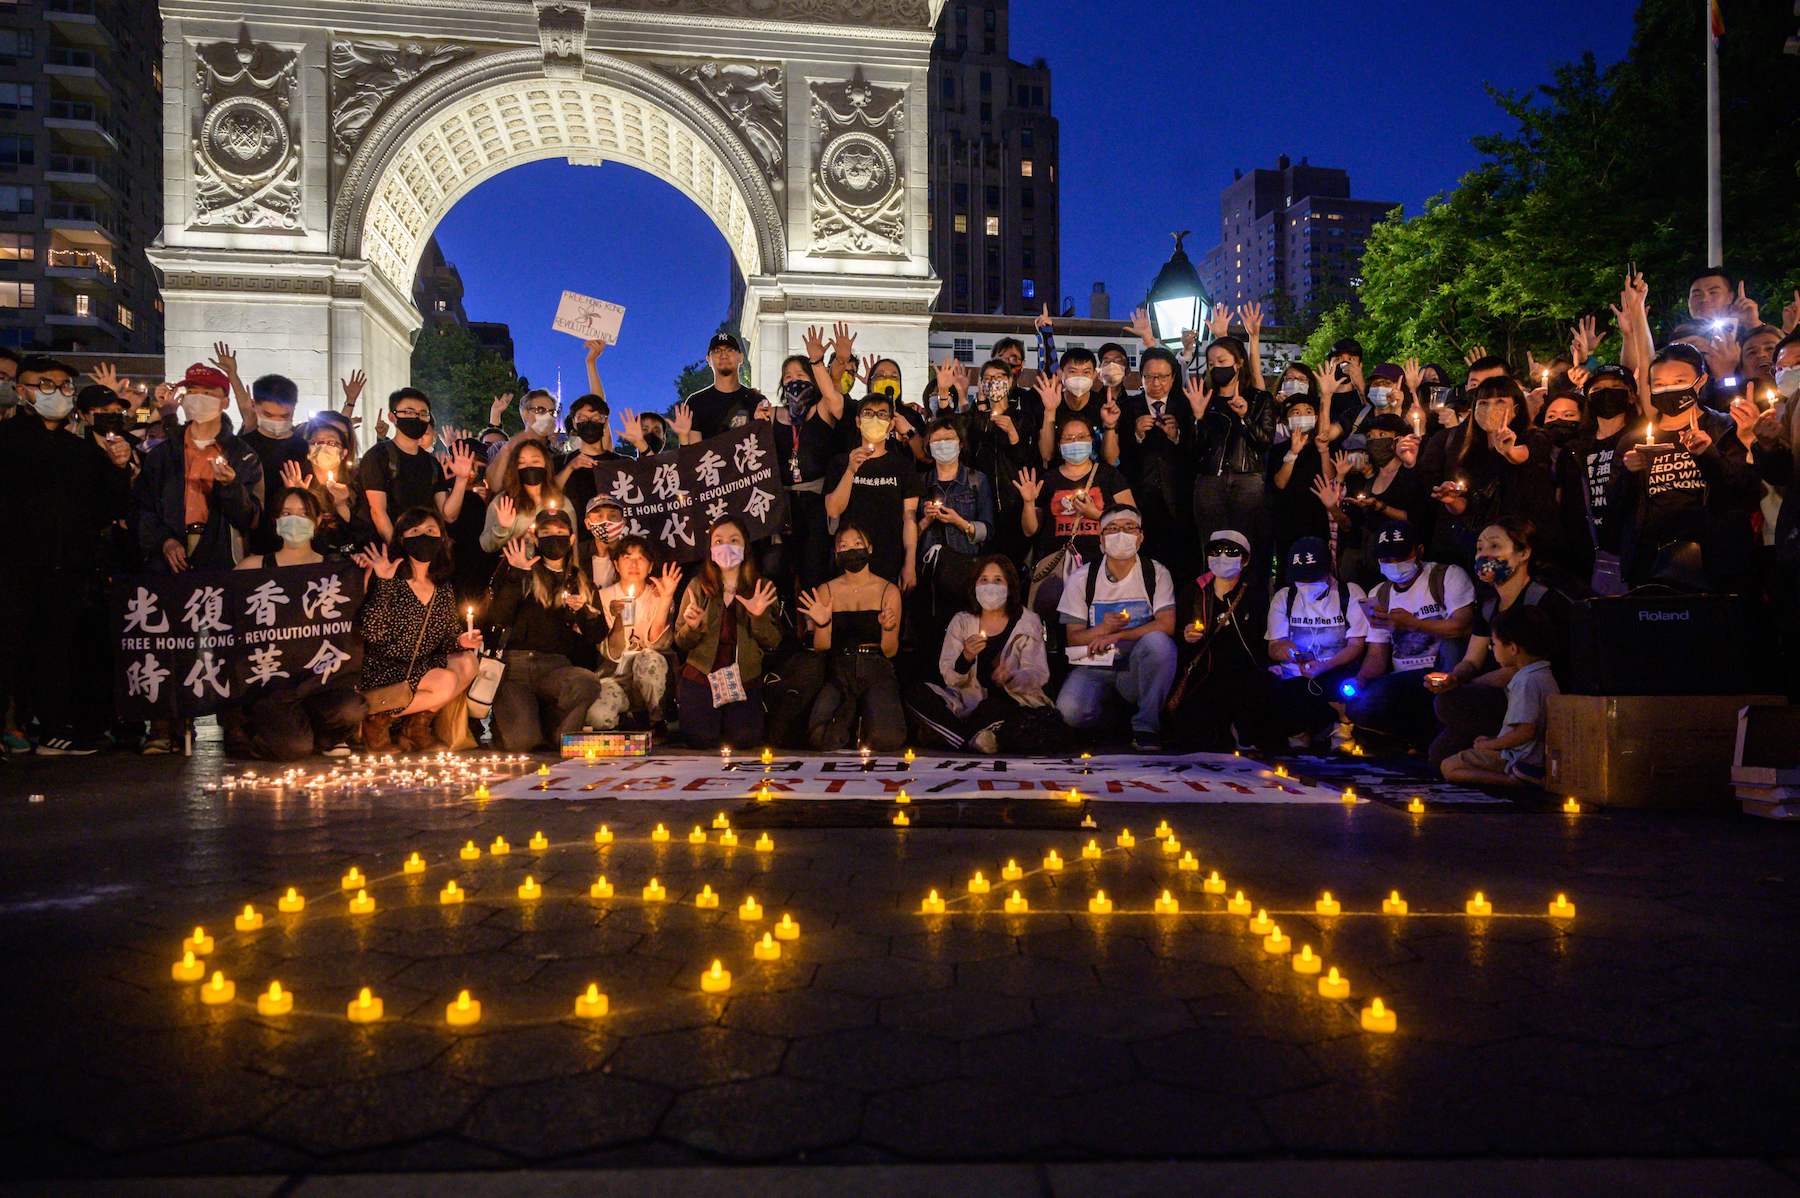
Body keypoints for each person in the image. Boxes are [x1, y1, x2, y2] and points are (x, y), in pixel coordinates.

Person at [0, 356, 132, 756]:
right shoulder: (6, 441)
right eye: (45, 384)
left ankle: (55, 726)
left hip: (69, 567)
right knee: (10, 647)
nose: (55, 393)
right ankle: (12, 725)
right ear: (21, 390)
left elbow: (108, 507)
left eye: (63, 386)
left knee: (59, 647)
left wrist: (118, 468)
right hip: (14, 565)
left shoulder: (81, 450)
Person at [224, 488, 366, 760]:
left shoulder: (336, 569)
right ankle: (255, 734)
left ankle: (317, 733)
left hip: (320, 682)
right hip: (273, 686)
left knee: (351, 708)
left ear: (317, 521)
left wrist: (362, 570)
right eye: (287, 514)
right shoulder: (254, 566)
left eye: (303, 514)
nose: (294, 520)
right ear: (276, 522)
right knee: (294, 749)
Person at [1612, 342, 1760, 592]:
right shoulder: (1633, 440)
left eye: (1679, 380)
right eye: (1659, 384)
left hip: (1716, 560)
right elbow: (1616, 506)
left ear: (1700, 381)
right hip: (1651, 564)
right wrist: (1629, 472)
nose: (1669, 389)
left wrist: (1708, 454)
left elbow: (1743, 491)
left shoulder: (1724, 428)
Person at [1426, 518, 1570, 768]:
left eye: (1494, 547)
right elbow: (1472, 659)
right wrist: (1453, 679)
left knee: (1450, 705)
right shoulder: (1489, 604)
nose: (1484, 555)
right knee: (1440, 755)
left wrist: (1467, 685)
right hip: (1497, 692)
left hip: (1529, 698)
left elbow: (1525, 668)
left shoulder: (1542, 601)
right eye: (1480, 548)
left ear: (1523, 553)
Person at [352, 507, 482, 753]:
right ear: (402, 539)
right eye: (416, 530)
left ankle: (416, 727)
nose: (424, 535)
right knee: (445, 680)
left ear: (441, 538)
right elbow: (372, 632)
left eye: (431, 530)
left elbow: (446, 637)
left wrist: (461, 640)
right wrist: (385, 584)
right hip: (385, 668)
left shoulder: (441, 587)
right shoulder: (389, 575)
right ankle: (377, 720)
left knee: (468, 663)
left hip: (421, 664)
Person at [1344, 520, 1476, 750]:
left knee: (1451, 645)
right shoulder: (1380, 594)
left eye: (1400, 557)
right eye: (1386, 560)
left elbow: (1461, 627)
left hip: (1443, 671)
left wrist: (1413, 624)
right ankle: (1414, 739)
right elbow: (1377, 654)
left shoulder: (1446, 576)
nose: (1394, 564)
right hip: (1404, 678)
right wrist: (1361, 679)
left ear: (1419, 551)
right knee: (1359, 706)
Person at [1054, 506, 1178, 751]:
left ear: (1140, 537)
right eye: (1112, 529)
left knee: (1160, 645)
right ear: (1101, 539)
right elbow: (1074, 639)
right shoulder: (1083, 578)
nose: (1121, 534)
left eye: (1129, 527)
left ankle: (1146, 726)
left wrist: (1119, 634)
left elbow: (1166, 624)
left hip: (1137, 667)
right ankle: (1111, 723)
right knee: (1069, 712)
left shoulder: (1155, 573)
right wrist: (1102, 628)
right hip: (1096, 665)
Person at [905, 555, 1057, 753]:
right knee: (916, 694)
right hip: (967, 703)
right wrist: (965, 658)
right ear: (974, 585)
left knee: (995, 709)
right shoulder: (962, 621)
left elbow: (1038, 674)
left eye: (997, 580)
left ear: (1009, 586)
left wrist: (1012, 676)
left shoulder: (1028, 622)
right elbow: (950, 678)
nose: (990, 586)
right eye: (983, 580)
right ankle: (966, 739)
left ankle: (955, 737)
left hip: (1012, 703)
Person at [486, 508, 605, 751]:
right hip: (515, 669)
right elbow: (497, 617)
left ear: (571, 539)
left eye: (560, 532)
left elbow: (597, 634)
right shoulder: (517, 568)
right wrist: (516, 575)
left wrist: (583, 611)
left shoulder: (580, 580)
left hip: (555, 668)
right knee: (523, 742)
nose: (554, 538)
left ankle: (560, 732)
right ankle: (520, 719)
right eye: (547, 532)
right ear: (535, 538)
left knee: (587, 682)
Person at [135, 363, 265, 575]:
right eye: (192, 392)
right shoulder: (162, 455)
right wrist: (164, 540)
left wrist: (231, 486)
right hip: (169, 561)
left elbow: (251, 518)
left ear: (225, 402)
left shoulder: (243, 455)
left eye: (207, 393)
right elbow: (144, 507)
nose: (197, 398)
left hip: (221, 557)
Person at [1424, 376, 1559, 574]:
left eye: (1500, 401)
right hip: (1483, 550)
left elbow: (1522, 455)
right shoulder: (1468, 452)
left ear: (1516, 409)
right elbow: (1467, 506)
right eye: (1484, 403)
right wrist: (1450, 500)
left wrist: (1508, 451)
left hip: (1523, 549)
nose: (1490, 408)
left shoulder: (1535, 438)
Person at [673, 518, 785, 747]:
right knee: (700, 739)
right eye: (719, 541)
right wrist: (692, 627)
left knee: (744, 740)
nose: (726, 546)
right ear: (711, 549)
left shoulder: (761, 587)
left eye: (734, 540)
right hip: (701, 676)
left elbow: (773, 641)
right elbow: (680, 642)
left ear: (745, 546)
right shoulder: (697, 586)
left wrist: (758, 616)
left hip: (744, 679)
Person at [1017, 411, 1136, 626]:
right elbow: (1030, 530)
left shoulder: (1109, 475)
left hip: (1100, 566)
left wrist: (1098, 515)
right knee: (1058, 625)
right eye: (1068, 438)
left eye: (1081, 437)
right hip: (1057, 570)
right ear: (1059, 443)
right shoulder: (1049, 480)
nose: (1075, 442)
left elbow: (1132, 521)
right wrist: (1028, 502)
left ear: (1092, 440)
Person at [1165, 530, 1273, 752]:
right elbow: (1178, 635)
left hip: (1244, 674)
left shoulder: (1255, 594)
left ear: (1245, 560)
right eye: (1216, 551)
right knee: (1194, 731)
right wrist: (1186, 635)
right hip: (1204, 673)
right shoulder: (1194, 592)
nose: (1222, 556)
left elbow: (1260, 640)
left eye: (1231, 552)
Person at [798, 524, 904, 751]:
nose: (851, 550)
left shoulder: (889, 590)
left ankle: (863, 719)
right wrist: (822, 622)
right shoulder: (827, 590)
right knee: (819, 737)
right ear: (837, 554)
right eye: (843, 546)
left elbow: (890, 651)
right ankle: (851, 718)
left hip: (875, 666)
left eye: (857, 543)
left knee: (887, 739)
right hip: (840, 668)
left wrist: (887, 628)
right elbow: (821, 645)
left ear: (869, 548)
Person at [1264, 536, 1369, 750]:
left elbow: (1356, 645)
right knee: (1276, 688)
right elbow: (1275, 646)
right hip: (1296, 675)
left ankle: (1343, 728)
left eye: (1313, 578)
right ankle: (1297, 732)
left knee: (1346, 687)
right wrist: (1293, 654)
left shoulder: (1349, 593)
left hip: (1336, 669)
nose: (1308, 584)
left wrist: (1325, 666)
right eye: (1302, 579)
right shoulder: (1285, 597)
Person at [1440, 604, 1560, 788]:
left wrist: (1490, 745)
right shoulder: (1545, 674)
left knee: (1448, 766)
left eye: (1493, 644)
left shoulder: (1525, 681)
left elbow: (1526, 731)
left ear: (1512, 648)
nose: (1492, 649)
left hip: (1518, 757)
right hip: (1530, 755)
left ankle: (1514, 779)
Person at [1188, 335, 1275, 574]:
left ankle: (1247, 602)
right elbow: (1193, 451)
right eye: (1211, 363)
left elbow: (1265, 442)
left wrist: (1244, 416)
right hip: (1210, 482)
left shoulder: (1259, 399)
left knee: (1246, 547)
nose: (1216, 367)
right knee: (1211, 546)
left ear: (1238, 363)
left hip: (1247, 481)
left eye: (1222, 360)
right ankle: (1209, 601)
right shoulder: (1205, 399)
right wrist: (1198, 418)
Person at [824, 391, 921, 592]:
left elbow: (909, 518)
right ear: (858, 422)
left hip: (889, 560)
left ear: (891, 424)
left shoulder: (902, 466)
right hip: (849, 561)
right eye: (868, 413)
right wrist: (851, 470)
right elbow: (833, 510)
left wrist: (910, 562)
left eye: (882, 414)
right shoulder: (840, 462)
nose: (875, 418)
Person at [354, 387, 476, 545]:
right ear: (393, 417)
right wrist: (397, 550)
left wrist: (461, 479)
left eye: (423, 414)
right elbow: (378, 512)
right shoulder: (378, 456)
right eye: (409, 412)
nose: (417, 418)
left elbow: (448, 515)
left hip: (422, 550)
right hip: (385, 551)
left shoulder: (432, 464)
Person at [1557, 365, 1636, 594]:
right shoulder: (1574, 450)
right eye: (1598, 389)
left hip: (1632, 549)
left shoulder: (1641, 440)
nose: (1606, 393)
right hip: (1584, 553)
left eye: (1616, 388)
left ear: (1631, 395)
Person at [588, 536, 682, 730]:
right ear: (616, 563)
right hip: (615, 676)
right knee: (598, 716)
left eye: (641, 558)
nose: (633, 564)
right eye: (627, 557)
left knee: (648, 659)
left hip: (650, 678)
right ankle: (628, 720)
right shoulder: (604, 597)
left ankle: (657, 720)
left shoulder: (658, 594)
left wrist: (665, 599)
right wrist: (619, 620)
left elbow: (658, 644)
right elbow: (612, 653)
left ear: (650, 566)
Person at [917, 417, 997, 638]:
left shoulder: (977, 480)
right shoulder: (920, 482)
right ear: (928, 445)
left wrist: (959, 522)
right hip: (929, 575)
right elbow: (908, 534)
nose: (943, 444)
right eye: (937, 440)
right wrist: (925, 520)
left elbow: (988, 531)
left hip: (966, 571)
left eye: (949, 438)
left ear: (960, 444)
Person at [1118, 347, 1194, 576]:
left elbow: (1196, 452)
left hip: (1179, 502)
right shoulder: (1127, 408)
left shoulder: (1186, 407)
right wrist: (1136, 434)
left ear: (1173, 377)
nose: (1156, 383)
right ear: (1141, 377)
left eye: (1163, 376)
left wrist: (1176, 437)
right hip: (1140, 499)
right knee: (1142, 567)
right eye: (1150, 376)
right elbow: (1117, 455)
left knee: (1180, 567)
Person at [238, 372, 311, 554]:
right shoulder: (241, 447)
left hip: (296, 541)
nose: (277, 421)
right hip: (253, 541)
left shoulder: (305, 449)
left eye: (285, 416)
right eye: (269, 415)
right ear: (255, 406)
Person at [481, 436, 565, 552]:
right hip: (516, 567)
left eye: (535, 461)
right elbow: (487, 545)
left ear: (546, 464)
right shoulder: (504, 501)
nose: (529, 466)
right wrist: (502, 528)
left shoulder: (560, 501)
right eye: (521, 462)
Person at [685, 331, 766, 438]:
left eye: (730, 350)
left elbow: (766, 443)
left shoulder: (756, 400)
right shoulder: (695, 403)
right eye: (717, 351)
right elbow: (693, 451)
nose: (724, 355)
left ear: (741, 357)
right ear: (708, 359)